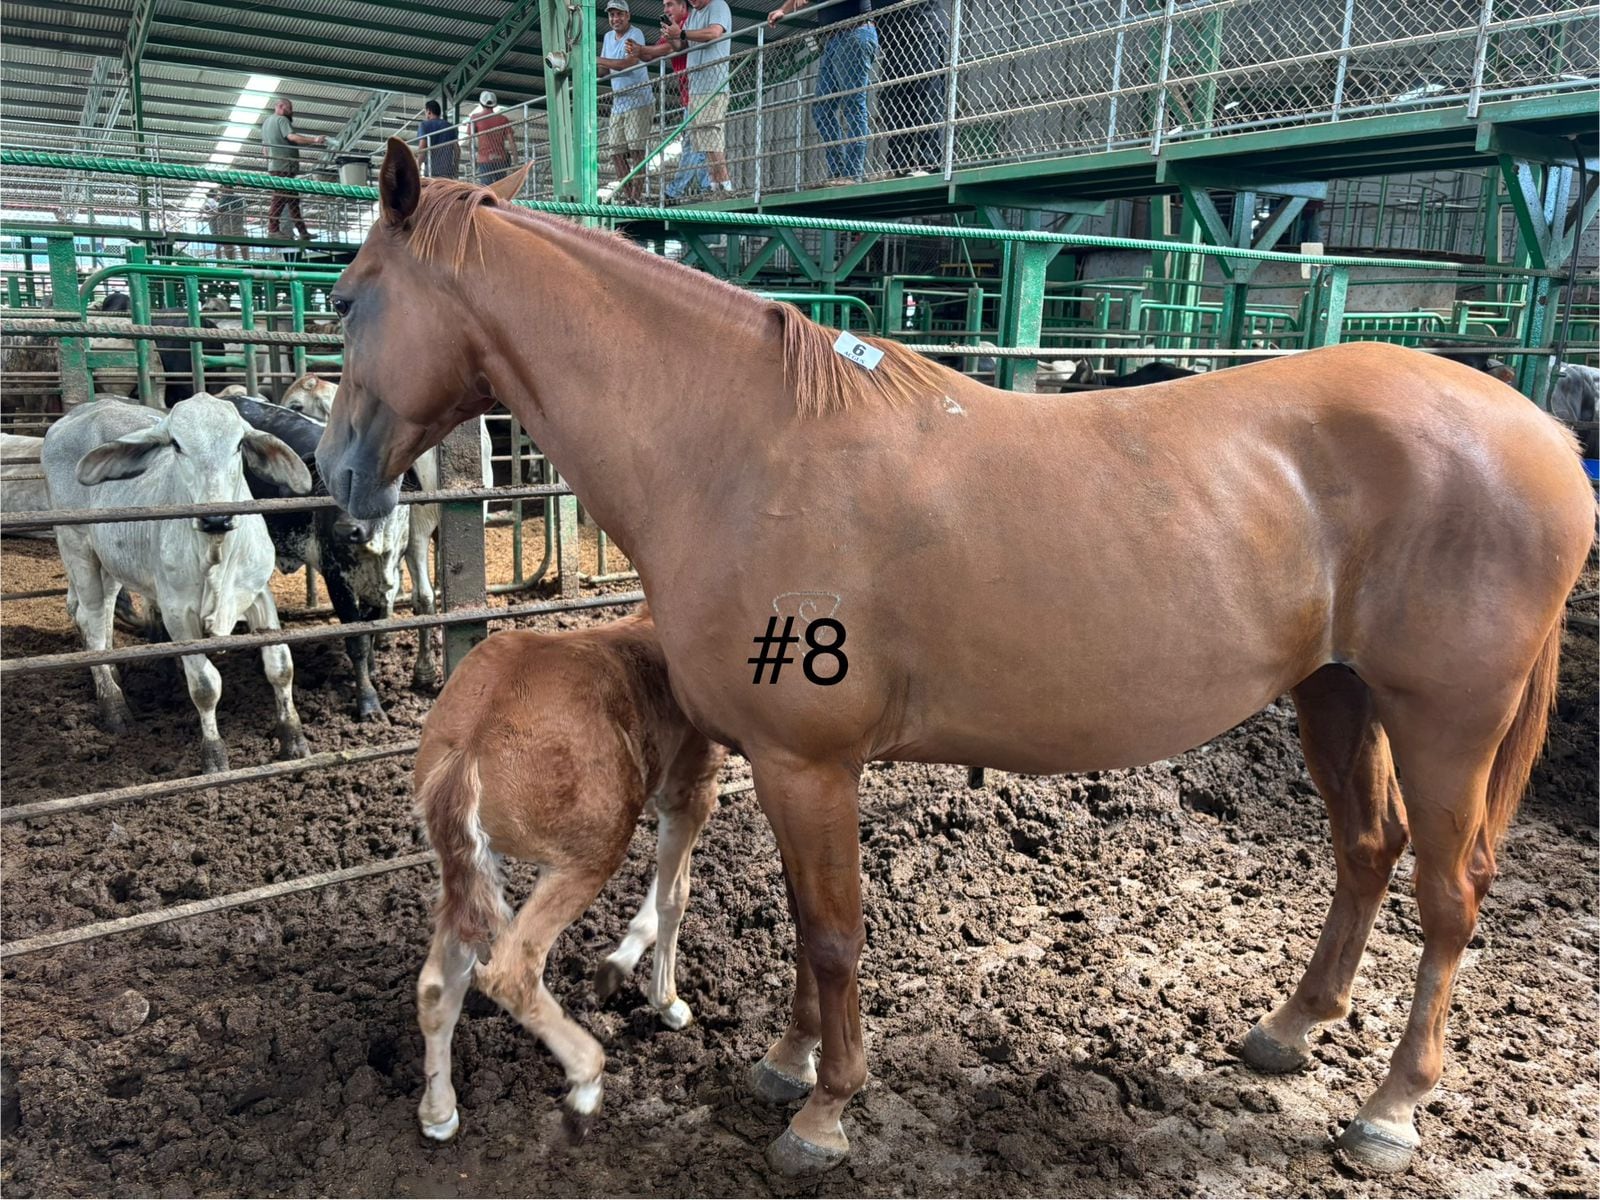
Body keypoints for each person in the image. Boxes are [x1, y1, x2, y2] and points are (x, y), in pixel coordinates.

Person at [769, 0, 878, 185]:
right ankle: (837, 172)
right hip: (833, 38)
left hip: (855, 31)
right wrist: (782, 10)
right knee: (822, 108)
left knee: (853, 105)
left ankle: (852, 173)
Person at [629, 0, 709, 199]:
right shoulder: (674, 29)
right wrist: (640, 51)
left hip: (700, 89)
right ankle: (704, 187)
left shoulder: (688, 25)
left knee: (696, 142)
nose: (666, 10)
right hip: (689, 93)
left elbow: (670, 49)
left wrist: (642, 50)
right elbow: (652, 54)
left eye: (670, 4)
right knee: (696, 143)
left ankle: (682, 190)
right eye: (665, 5)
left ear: (684, 7)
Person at [876, 0, 949, 177]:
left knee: (927, 98)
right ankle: (900, 165)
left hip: (923, 28)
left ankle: (929, 163)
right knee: (893, 102)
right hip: (893, 39)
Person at [675, 0, 735, 194]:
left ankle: (725, 185)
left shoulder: (718, 5)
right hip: (696, 87)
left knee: (712, 136)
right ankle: (715, 185)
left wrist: (682, 33)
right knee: (703, 141)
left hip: (714, 85)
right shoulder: (693, 15)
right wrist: (671, 34)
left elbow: (714, 33)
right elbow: (679, 46)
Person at [598, 0, 650, 203]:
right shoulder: (608, 37)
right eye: (611, 15)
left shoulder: (635, 34)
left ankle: (636, 197)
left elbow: (629, 63)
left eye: (619, 14)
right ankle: (629, 197)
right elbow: (603, 70)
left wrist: (599, 60)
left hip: (639, 100)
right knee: (616, 152)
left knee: (636, 149)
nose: (615, 19)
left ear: (628, 15)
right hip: (619, 102)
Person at [259, 98, 327, 240]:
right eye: (290, 108)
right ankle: (273, 229)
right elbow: (291, 137)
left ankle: (303, 232)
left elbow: (264, 150)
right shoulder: (282, 120)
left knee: (293, 200)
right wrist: (314, 140)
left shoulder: (266, 123)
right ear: (281, 107)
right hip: (284, 166)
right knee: (279, 198)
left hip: (275, 165)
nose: (291, 112)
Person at [469, 92, 515, 187]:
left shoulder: (475, 118)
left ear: (481, 103)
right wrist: (516, 161)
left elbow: (470, 140)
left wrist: (472, 160)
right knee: (501, 189)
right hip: (501, 159)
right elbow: (511, 141)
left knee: (487, 189)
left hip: (484, 159)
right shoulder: (503, 119)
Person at [415, 99, 459, 180]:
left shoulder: (424, 125)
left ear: (429, 111)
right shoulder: (450, 127)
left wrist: (417, 167)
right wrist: (455, 169)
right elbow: (457, 150)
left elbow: (422, 148)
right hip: (447, 172)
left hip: (432, 172)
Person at [208, 185, 247, 260]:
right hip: (237, 223)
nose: (222, 191)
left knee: (227, 244)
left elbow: (220, 209)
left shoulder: (225, 197)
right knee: (242, 242)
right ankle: (246, 260)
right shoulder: (239, 198)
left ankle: (231, 260)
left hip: (228, 223)